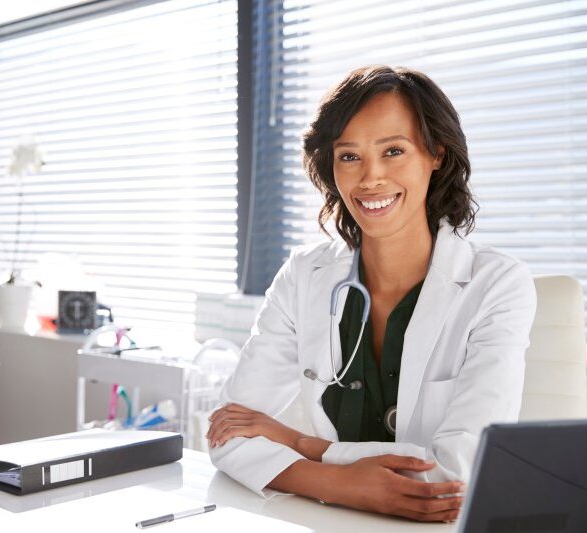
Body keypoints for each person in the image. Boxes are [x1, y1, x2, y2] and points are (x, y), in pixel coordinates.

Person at [206, 65, 537, 523]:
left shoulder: (497, 284)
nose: (370, 178)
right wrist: (338, 483)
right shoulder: (304, 275)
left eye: (394, 151)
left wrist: (305, 447)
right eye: (349, 156)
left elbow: (456, 477)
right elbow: (230, 434)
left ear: (436, 154)